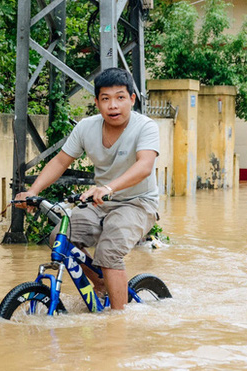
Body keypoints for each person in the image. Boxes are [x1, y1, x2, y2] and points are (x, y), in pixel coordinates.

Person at [15, 67, 160, 311]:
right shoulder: (86, 128)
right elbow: (61, 161)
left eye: (120, 97)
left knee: (109, 251)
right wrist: (33, 191)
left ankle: (118, 323)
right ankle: (102, 282)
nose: (113, 105)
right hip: (100, 202)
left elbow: (144, 166)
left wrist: (108, 188)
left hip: (138, 203)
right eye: (106, 99)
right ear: (96, 102)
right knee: (59, 239)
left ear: (132, 99)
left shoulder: (145, 126)